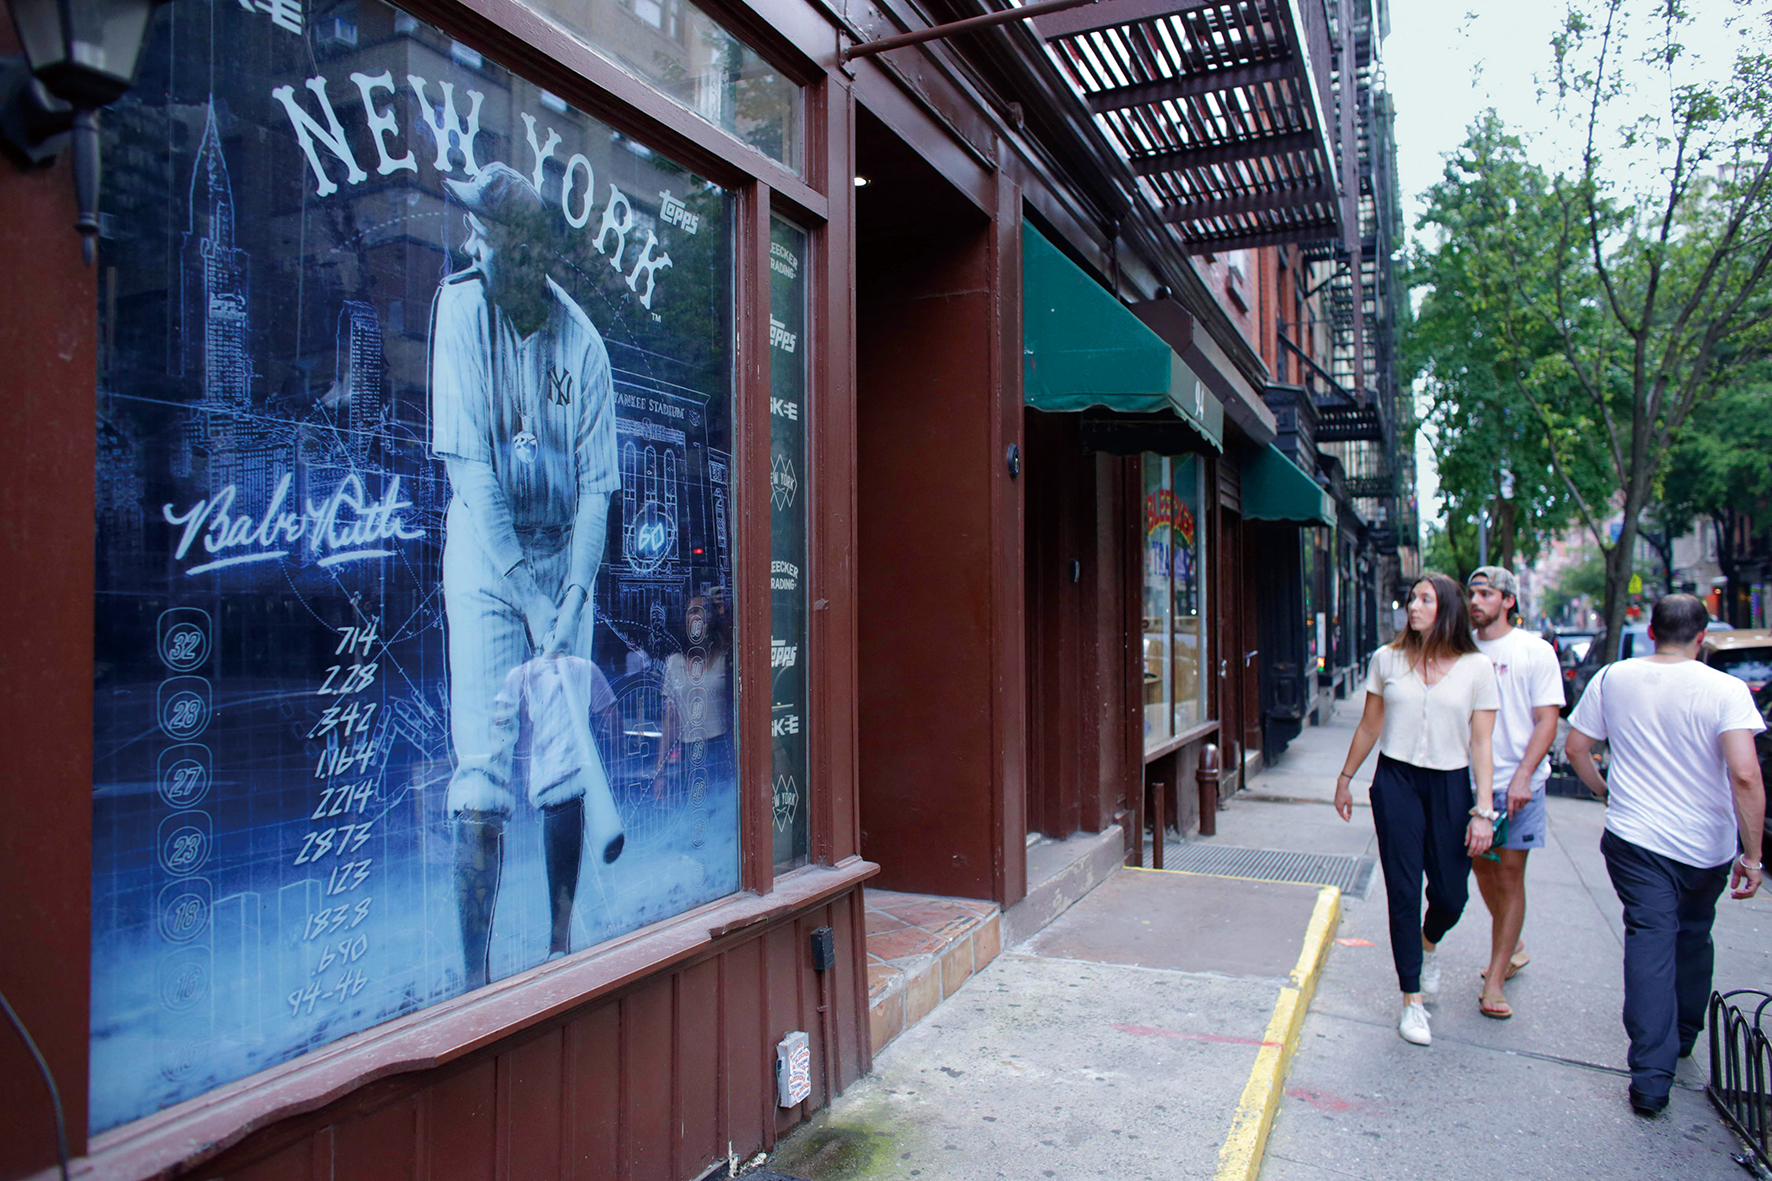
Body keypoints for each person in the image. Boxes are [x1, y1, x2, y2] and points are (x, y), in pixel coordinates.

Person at [428, 163, 622, 990]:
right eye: (478, 239)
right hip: (482, 550)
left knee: (561, 762)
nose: (481, 253)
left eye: (498, 244)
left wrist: (571, 594)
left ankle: (556, 944)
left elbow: (597, 489)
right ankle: (473, 978)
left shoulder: (583, 345)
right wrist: (527, 589)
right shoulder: (459, 308)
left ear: (533, 254)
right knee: (481, 765)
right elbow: (469, 468)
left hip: (559, 549)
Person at [1564, 594, 1765, 1116]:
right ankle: (1683, 1034)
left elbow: (1576, 748)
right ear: (1703, 638)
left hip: (1636, 840)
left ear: (1651, 631)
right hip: (1707, 845)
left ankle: (1652, 1079)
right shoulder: (1726, 690)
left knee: (1651, 939)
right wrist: (1752, 855)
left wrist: (1603, 789)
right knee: (1694, 932)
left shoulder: (1613, 678)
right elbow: (1744, 775)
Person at [1334, 572, 1500, 1047]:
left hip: (1451, 785)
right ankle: (1411, 1001)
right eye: (1412, 598)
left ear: (1446, 607)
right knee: (1404, 891)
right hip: (1396, 782)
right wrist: (1346, 778)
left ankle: (1429, 946)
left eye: (1425, 599)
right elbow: (1370, 724)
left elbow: (1483, 742)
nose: (1414, 606)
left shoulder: (1476, 668)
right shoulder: (1387, 660)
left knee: (1451, 895)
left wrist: (1483, 809)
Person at [1467, 566, 1565, 1018]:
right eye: (1472, 593)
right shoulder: (1459, 646)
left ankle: (1495, 978)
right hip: (1468, 784)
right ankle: (1513, 942)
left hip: (1519, 783)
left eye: (1486, 593)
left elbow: (1548, 720)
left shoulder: (1534, 650)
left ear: (1508, 600)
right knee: (1483, 873)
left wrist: (1525, 775)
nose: (1475, 601)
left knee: (1509, 875)